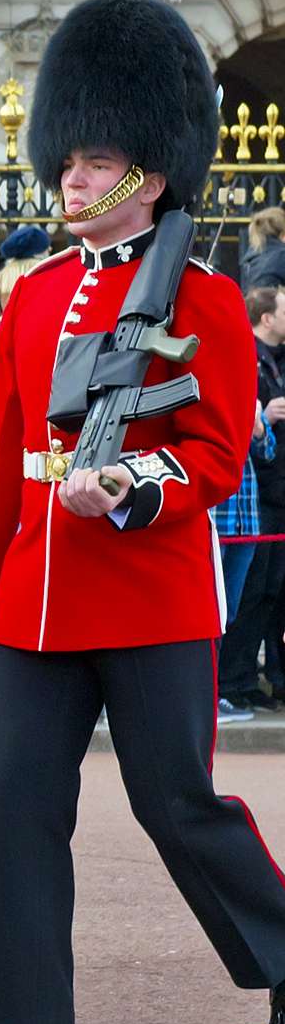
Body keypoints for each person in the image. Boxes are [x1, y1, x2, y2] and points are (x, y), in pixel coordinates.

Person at [0, 0, 285, 1024]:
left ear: (150, 170)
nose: (71, 180)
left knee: (176, 803)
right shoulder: (33, 301)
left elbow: (218, 453)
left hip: (148, 591)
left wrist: (133, 484)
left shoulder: (207, 302)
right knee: (22, 802)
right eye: (66, 160)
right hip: (34, 597)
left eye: (95, 161)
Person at [217, 284, 285, 714]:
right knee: (217, 612)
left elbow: (267, 450)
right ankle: (217, 686)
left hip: (246, 519)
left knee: (236, 609)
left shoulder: (250, 384)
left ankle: (229, 684)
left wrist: (260, 431)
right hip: (221, 521)